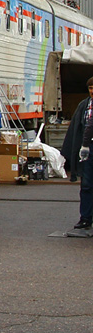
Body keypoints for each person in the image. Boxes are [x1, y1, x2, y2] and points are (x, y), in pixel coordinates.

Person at [65, 77, 93, 230]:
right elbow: (77, 128)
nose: (92, 91)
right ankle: (85, 218)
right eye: (90, 88)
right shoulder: (84, 105)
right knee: (87, 184)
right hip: (88, 147)